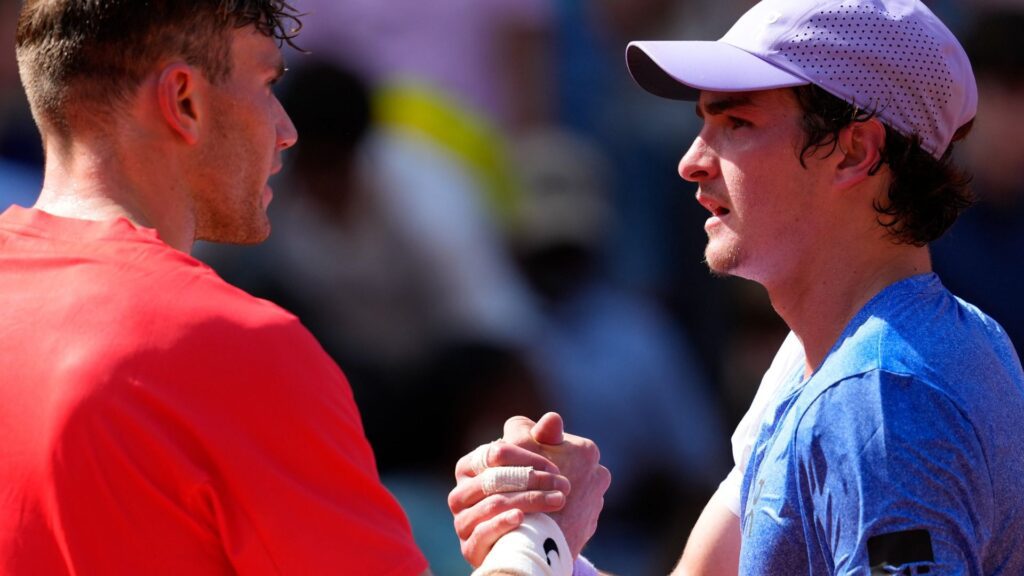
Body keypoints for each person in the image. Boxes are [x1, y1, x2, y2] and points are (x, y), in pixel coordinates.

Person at [1, 1, 607, 574]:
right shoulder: (236, 350)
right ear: (184, 101)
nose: (287, 130)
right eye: (267, 86)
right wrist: (541, 535)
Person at [449, 0, 1024, 574]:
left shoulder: (881, 398)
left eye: (737, 123)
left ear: (853, 152)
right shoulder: (821, 358)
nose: (691, 161)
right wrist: (546, 544)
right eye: (704, 123)